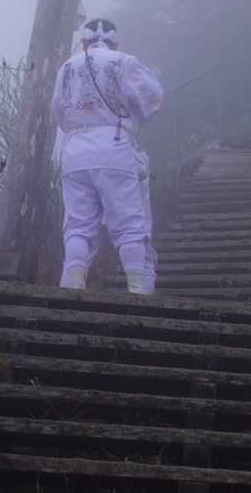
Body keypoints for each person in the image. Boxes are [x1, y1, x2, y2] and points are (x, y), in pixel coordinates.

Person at [51, 17, 164, 294]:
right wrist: (133, 115)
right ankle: (137, 287)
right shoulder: (124, 61)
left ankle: (73, 284)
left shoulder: (68, 66)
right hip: (114, 144)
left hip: (75, 148)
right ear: (115, 41)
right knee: (128, 221)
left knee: (78, 224)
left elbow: (57, 111)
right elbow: (154, 98)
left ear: (84, 41)